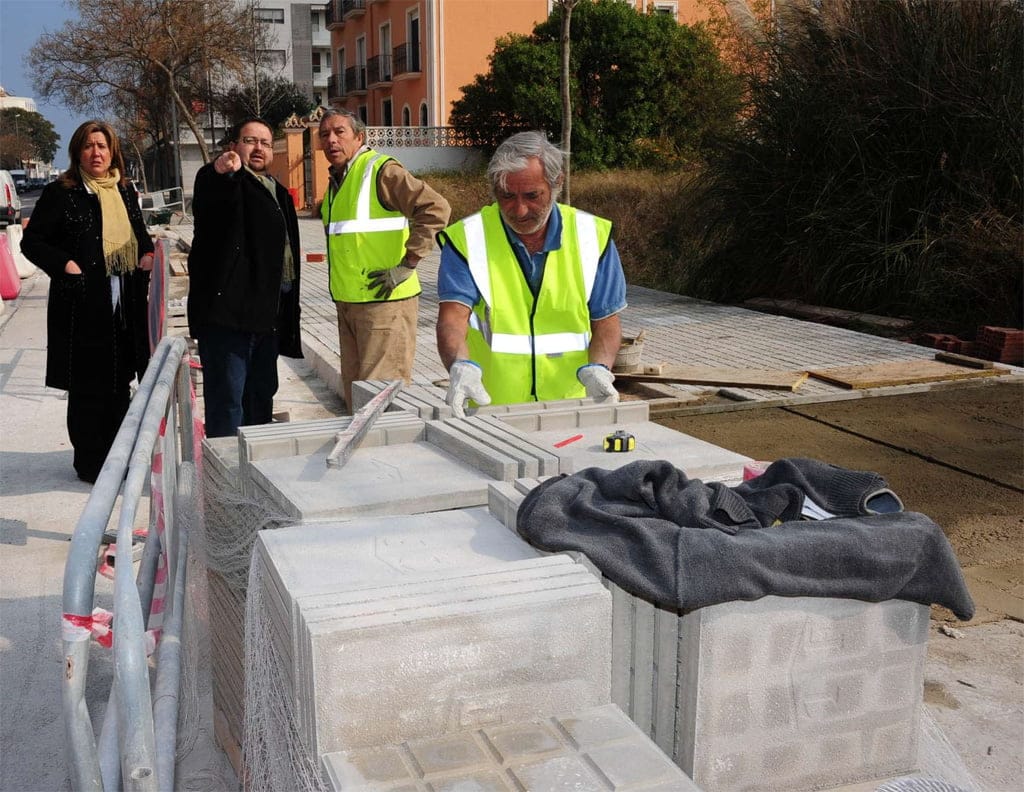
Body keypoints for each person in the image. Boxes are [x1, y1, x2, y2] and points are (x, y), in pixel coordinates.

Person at [436, 131, 627, 416]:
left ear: (557, 182)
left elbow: (606, 321)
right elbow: (452, 318)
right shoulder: (466, 239)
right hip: (493, 408)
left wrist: (600, 368)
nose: (520, 209)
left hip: (570, 406)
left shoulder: (592, 237)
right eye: (507, 196)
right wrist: (460, 366)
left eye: (532, 195)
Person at [21, 120, 154, 483]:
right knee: (87, 387)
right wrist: (65, 264)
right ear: (77, 152)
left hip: (122, 303)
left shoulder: (124, 191)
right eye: (89, 146)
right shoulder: (61, 193)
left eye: (103, 146)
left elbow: (140, 236)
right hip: (81, 305)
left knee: (120, 381)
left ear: (113, 152)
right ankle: (91, 463)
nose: (97, 153)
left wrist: (147, 254)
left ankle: (119, 457)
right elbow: (32, 243)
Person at [317, 108, 451, 411]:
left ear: (359, 137)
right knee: (357, 397)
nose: (331, 140)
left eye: (339, 132)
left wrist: (408, 264)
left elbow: (435, 208)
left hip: (385, 305)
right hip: (350, 304)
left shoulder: (379, 171)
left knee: (381, 400)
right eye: (324, 134)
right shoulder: (338, 181)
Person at [187, 117, 303, 438]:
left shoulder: (278, 191)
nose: (259, 148)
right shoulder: (229, 182)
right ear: (234, 146)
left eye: (265, 143)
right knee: (228, 405)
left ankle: (255, 464)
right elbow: (209, 194)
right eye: (250, 141)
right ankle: (224, 467)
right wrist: (219, 169)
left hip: (267, 318)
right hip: (229, 321)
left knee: (260, 399)